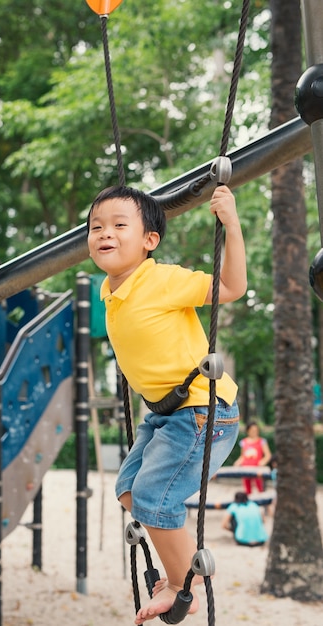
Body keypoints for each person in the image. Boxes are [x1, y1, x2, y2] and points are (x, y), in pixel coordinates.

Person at [87, 184, 247, 624]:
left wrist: (230, 224)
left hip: (202, 412)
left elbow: (232, 286)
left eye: (121, 225)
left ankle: (185, 586)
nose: (106, 233)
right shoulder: (108, 290)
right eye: (96, 226)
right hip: (164, 415)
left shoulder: (162, 279)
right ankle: (179, 568)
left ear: (149, 241)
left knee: (153, 497)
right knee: (128, 490)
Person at [233, 421, 272, 494]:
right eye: (252, 430)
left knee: (260, 488)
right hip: (246, 469)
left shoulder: (262, 441)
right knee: (247, 490)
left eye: (256, 430)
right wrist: (237, 462)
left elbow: (268, 455)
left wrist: (263, 461)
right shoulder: (244, 442)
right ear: (248, 431)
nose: (254, 432)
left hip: (257, 469)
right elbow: (242, 456)